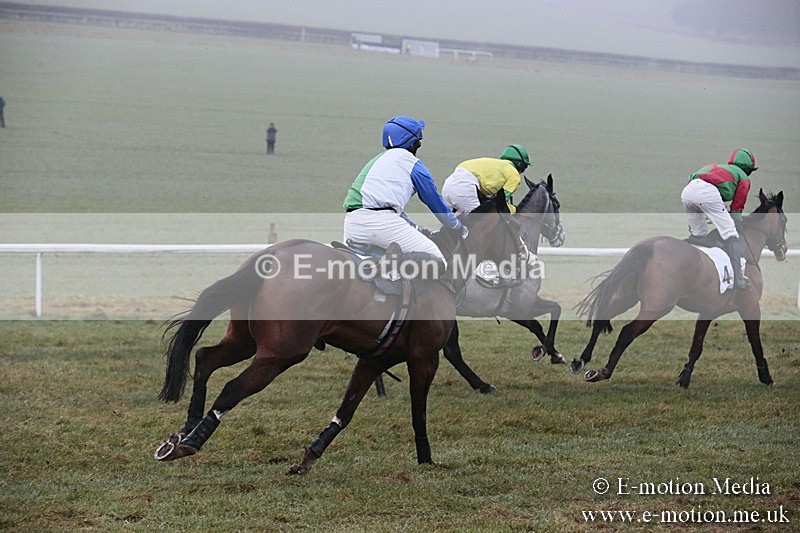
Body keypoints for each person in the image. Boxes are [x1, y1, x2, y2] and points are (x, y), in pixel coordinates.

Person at [343, 115, 466, 267]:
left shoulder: (375, 161)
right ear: (414, 143)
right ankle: (397, 262)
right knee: (438, 262)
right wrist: (457, 226)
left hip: (352, 225)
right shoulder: (414, 165)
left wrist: (417, 230)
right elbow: (435, 203)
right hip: (381, 225)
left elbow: (388, 209)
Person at [681, 148, 757, 290]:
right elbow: (737, 207)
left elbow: (693, 181)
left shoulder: (714, 166)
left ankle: (690, 268)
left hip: (688, 191)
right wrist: (736, 222)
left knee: (699, 233)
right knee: (731, 233)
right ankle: (738, 279)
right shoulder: (743, 178)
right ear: (748, 169)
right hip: (707, 193)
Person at [441, 144, 530, 215]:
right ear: (519, 164)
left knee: (454, 227)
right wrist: (514, 209)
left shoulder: (494, 166)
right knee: (482, 222)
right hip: (465, 189)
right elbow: (501, 200)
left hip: (447, 188)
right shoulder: (513, 173)